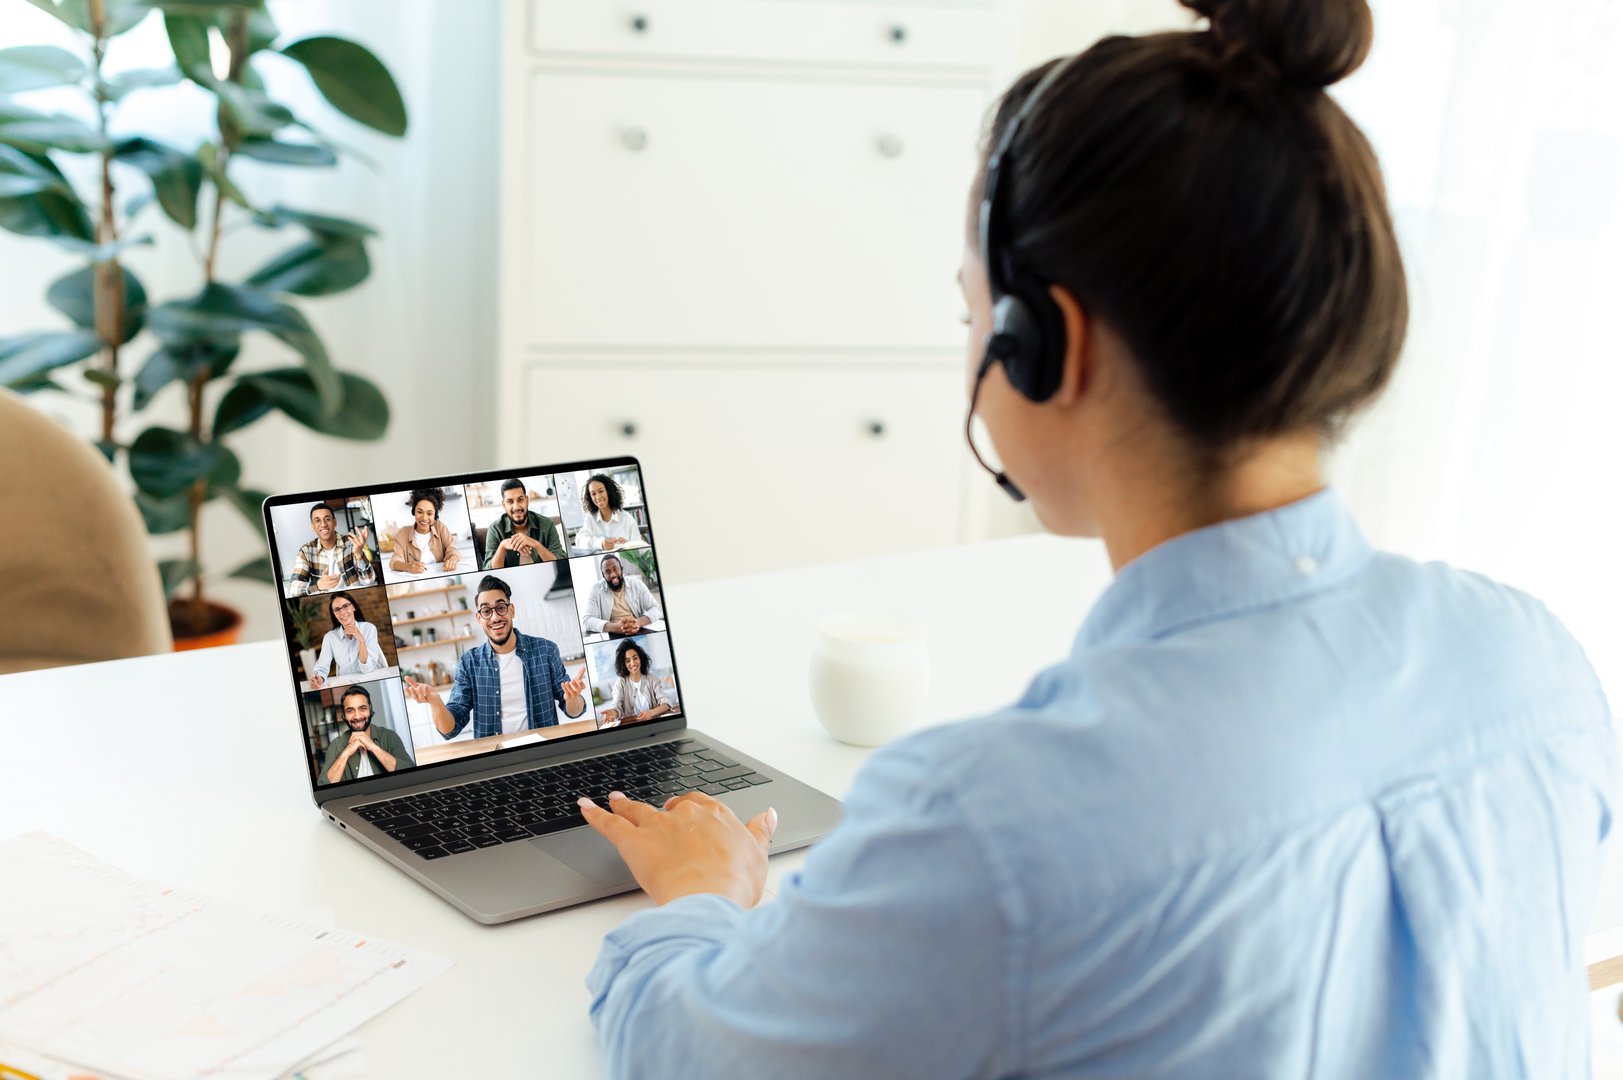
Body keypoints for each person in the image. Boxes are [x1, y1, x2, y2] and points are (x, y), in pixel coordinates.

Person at [574, 3, 1618, 1076]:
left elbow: (695, 1054)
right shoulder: (1536, 662)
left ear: (1044, 346)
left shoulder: (999, 819)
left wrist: (701, 892)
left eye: (971, 312)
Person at [402, 574, 588, 738]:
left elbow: (574, 711)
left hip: (542, 752)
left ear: (511, 610)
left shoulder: (546, 651)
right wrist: (435, 702)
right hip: (496, 758)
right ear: (479, 618)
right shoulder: (469, 663)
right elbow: (450, 729)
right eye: (486, 611)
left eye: (500, 607)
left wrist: (573, 699)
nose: (495, 618)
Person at [319, 684, 415, 784]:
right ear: (343, 715)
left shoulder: (389, 736)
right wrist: (346, 753)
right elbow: (322, 785)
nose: (357, 716)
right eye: (350, 710)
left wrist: (373, 747)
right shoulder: (336, 745)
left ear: (370, 709)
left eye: (362, 708)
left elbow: (412, 775)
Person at [289, 503, 375, 595]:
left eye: (327, 519)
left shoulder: (351, 543)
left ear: (335, 522)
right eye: (317, 520)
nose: (323, 524)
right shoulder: (306, 551)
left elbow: (368, 582)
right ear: (313, 526)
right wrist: (318, 585)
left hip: (355, 596)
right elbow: (293, 588)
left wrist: (359, 554)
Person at [306, 591, 386, 689]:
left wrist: (361, 640)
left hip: (371, 681)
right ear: (334, 614)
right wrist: (319, 678)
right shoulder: (330, 637)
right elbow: (322, 668)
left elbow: (367, 669)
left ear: (353, 607)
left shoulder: (369, 629)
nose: (342, 612)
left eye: (345, 606)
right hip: (345, 685)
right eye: (337, 609)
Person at [483, 479, 564, 569]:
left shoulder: (547, 524)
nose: (516, 507)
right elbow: (487, 570)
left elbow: (561, 563)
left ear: (527, 500)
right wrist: (502, 546)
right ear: (503, 505)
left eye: (520, 500)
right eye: (510, 501)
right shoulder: (495, 529)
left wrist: (536, 544)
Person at [597, 639, 675, 729]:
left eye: (635, 658)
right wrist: (612, 713)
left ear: (640, 658)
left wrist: (651, 713)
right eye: (628, 660)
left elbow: (666, 702)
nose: (632, 663)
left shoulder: (652, 679)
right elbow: (616, 705)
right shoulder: (621, 682)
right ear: (624, 664)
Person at [581, 554, 663, 639]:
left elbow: (656, 608)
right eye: (607, 572)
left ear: (621, 569)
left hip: (637, 630)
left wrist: (638, 623)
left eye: (615, 569)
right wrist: (615, 627)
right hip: (612, 635)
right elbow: (587, 621)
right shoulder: (596, 589)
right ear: (603, 575)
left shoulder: (636, 584)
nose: (612, 575)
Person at [390, 487, 462, 574]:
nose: (424, 518)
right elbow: (394, 561)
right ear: (414, 512)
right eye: (420, 512)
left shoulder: (440, 528)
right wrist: (409, 567)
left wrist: (453, 559)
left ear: (435, 515)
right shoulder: (403, 533)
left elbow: (453, 551)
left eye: (429, 513)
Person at [576, 473, 643, 552]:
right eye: (593, 494)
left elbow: (640, 548)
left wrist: (627, 545)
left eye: (601, 491)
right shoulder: (590, 518)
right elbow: (580, 540)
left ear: (608, 491)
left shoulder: (627, 518)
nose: (598, 497)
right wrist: (601, 543)